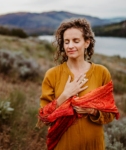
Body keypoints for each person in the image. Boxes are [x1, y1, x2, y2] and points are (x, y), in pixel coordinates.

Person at [38, 18, 119, 150]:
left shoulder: (101, 72)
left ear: (87, 42)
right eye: (66, 42)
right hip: (64, 145)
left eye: (76, 41)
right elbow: (44, 116)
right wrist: (65, 95)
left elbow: (109, 114)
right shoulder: (52, 75)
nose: (70, 46)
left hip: (94, 145)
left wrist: (92, 111)